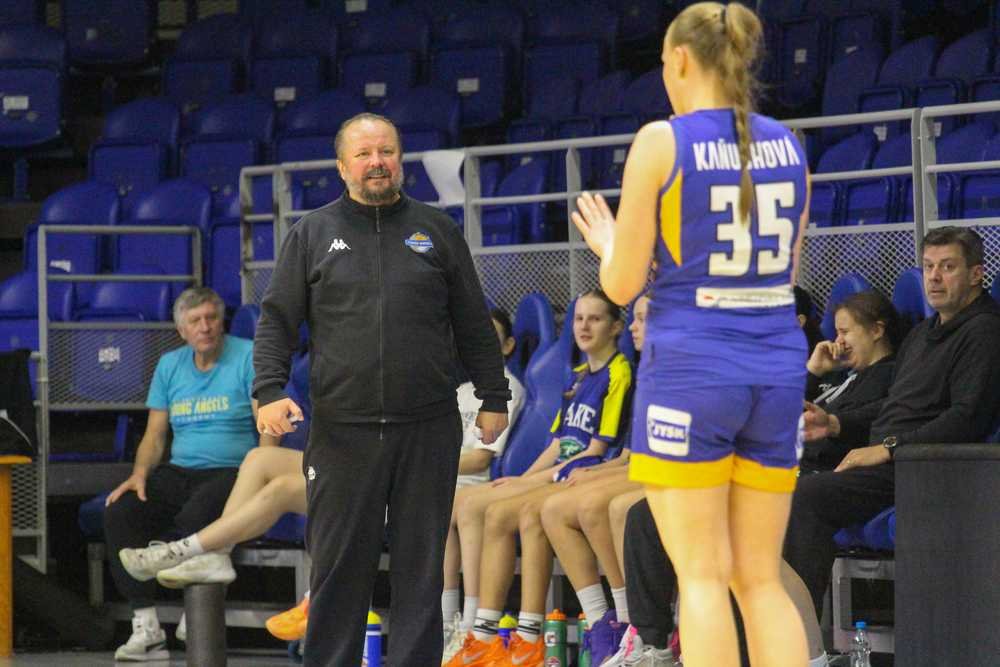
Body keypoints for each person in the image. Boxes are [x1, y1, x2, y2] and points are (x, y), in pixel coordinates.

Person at [571, 3, 812, 665]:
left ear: (679, 60)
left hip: (693, 371)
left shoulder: (662, 141)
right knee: (760, 579)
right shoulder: (789, 145)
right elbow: (785, 275)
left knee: (702, 576)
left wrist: (609, 242)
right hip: (775, 370)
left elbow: (622, 286)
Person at [252, 112, 511, 666]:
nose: (377, 163)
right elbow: (276, 320)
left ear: (400, 159)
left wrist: (494, 396)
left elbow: (472, 321)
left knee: (422, 571)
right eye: (364, 154)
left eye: (387, 152)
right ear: (342, 166)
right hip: (343, 432)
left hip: (427, 428)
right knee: (338, 569)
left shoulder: (437, 230)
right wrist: (269, 389)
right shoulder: (311, 233)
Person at [602, 289, 904, 666]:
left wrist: (832, 423)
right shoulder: (838, 378)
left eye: (846, 332)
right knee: (646, 513)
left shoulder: (890, 375)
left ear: (877, 331)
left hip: (822, 474)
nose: (838, 341)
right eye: (836, 332)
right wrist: (813, 373)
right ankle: (653, 644)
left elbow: (866, 424)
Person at [786, 226, 1000, 658]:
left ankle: (802, 651)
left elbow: (967, 418)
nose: (934, 277)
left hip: (928, 467)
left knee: (805, 497)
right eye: (929, 267)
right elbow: (891, 405)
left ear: (977, 274)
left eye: (948, 267)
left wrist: (887, 449)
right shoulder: (923, 334)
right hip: (893, 460)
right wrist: (836, 424)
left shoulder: (984, 331)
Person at [445, 289, 632, 667]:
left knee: (526, 512)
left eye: (595, 319)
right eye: (579, 318)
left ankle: (531, 636)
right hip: (559, 473)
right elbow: (558, 442)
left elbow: (595, 450)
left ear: (615, 327)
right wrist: (522, 479)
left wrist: (532, 483)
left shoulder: (619, 372)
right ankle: (480, 635)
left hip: (585, 475)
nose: (583, 326)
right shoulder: (577, 377)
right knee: (490, 507)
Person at [103, 286, 277, 662]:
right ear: (182, 330)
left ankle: (197, 612)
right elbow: (155, 435)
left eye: (211, 318)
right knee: (121, 511)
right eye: (195, 321)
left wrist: (265, 469)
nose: (205, 327)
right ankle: (146, 629)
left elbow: (267, 419)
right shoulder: (169, 365)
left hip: (233, 471)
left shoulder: (247, 356)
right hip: (179, 471)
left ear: (222, 321)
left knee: (197, 514)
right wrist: (139, 473)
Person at [443, 307, 526, 629]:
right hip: (449, 481)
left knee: (445, 505)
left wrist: (430, 466)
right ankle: (445, 624)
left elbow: (480, 459)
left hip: (477, 482)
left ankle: (469, 625)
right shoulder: (460, 391)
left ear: (508, 346)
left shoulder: (506, 389)